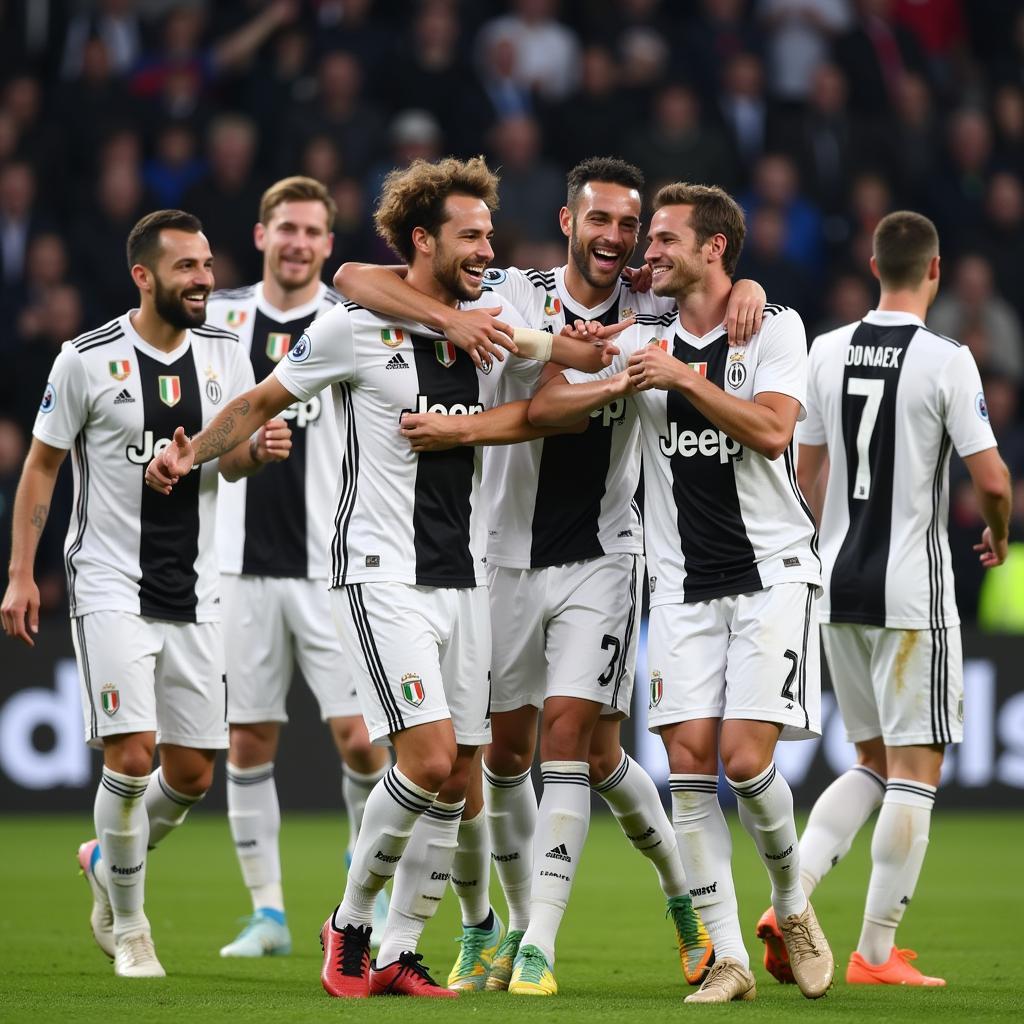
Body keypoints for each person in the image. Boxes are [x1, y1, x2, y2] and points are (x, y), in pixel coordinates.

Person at [144, 156, 613, 999]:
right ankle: (350, 921)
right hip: (379, 569)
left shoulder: (493, 323)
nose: (486, 248)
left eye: (490, 235)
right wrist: (191, 450)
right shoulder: (352, 324)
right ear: (424, 239)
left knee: (460, 775)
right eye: (470, 236)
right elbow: (258, 402)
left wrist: (619, 370)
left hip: (463, 576)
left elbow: (551, 386)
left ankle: (398, 949)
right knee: (428, 759)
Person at [334, 156, 767, 995]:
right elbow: (354, 276)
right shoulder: (514, 292)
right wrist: (472, 329)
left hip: (606, 555)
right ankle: (504, 926)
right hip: (496, 555)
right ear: (568, 222)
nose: (614, 237)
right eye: (598, 220)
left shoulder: (654, 305)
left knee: (569, 739)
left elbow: (718, 285)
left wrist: (746, 288)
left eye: (628, 226)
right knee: (508, 758)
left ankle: (536, 944)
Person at [529, 182, 836, 1004]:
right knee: (689, 766)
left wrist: (681, 377)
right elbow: (551, 400)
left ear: (714, 249)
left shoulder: (773, 325)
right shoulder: (644, 332)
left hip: (771, 575)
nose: (646, 253)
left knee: (744, 759)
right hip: (680, 590)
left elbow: (773, 431)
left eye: (663, 240)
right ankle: (729, 959)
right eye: (647, 240)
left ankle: (792, 904)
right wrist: (614, 377)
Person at [0, 209, 289, 978]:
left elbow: (227, 462)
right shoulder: (85, 359)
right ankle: (130, 927)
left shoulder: (227, 356)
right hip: (110, 580)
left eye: (206, 265)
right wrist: (21, 572)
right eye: (187, 268)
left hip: (196, 586)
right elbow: (40, 466)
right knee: (131, 756)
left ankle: (107, 859)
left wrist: (254, 452)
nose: (203, 279)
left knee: (192, 773)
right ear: (144, 276)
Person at [758, 210, 1011, 987]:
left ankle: (789, 901)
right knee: (915, 769)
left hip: (837, 581)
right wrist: (998, 534)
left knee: (869, 758)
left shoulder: (826, 351)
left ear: (873, 265)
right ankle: (874, 952)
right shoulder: (949, 360)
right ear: (933, 272)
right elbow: (993, 479)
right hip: (912, 589)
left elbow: (806, 472)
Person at [205, 176, 390, 959]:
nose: (298, 242)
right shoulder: (216, 324)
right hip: (235, 569)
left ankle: (361, 888)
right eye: (286, 228)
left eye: (314, 232)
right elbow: (191, 437)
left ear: (328, 245)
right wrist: (239, 456)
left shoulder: (351, 324)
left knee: (360, 741)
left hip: (330, 568)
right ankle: (269, 915)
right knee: (249, 742)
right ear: (260, 235)